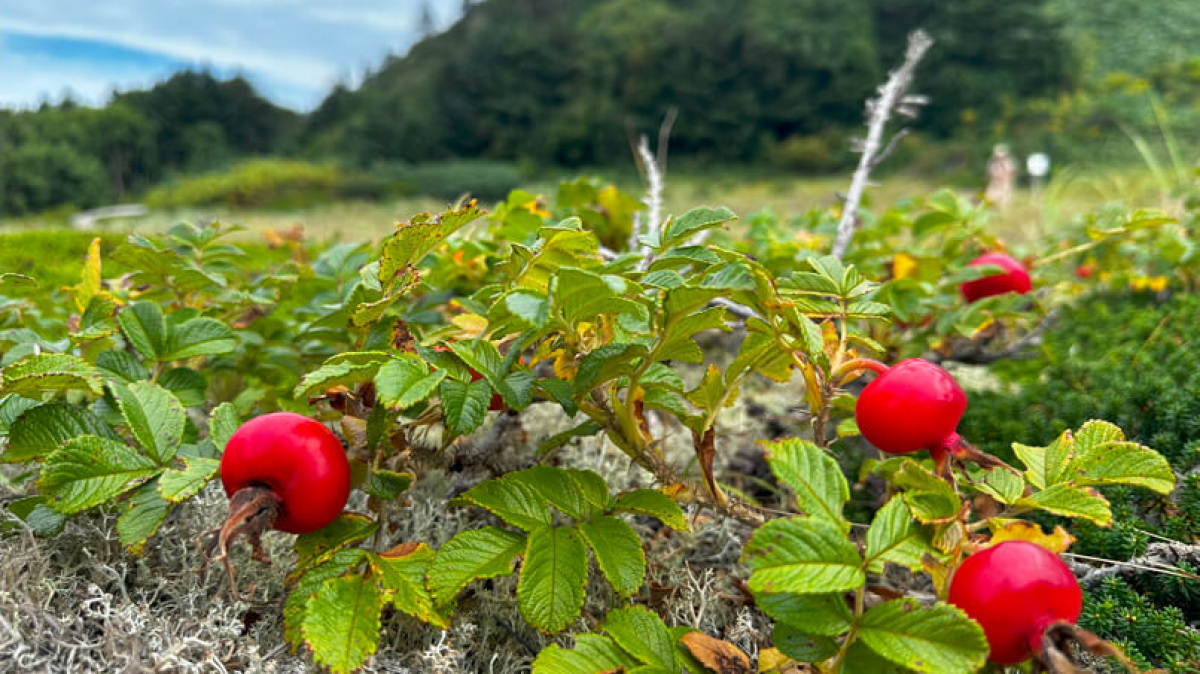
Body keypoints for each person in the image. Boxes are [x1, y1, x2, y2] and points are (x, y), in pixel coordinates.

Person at [985, 144, 1016, 211]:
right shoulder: (993, 163)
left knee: (1004, 199)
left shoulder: (1007, 162)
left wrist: (1005, 178)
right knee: (990, 197)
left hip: (1004, 182)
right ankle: (992, 210)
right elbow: (989, 173)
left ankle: (1004, 211)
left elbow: (1010, 172)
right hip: (994, 182)